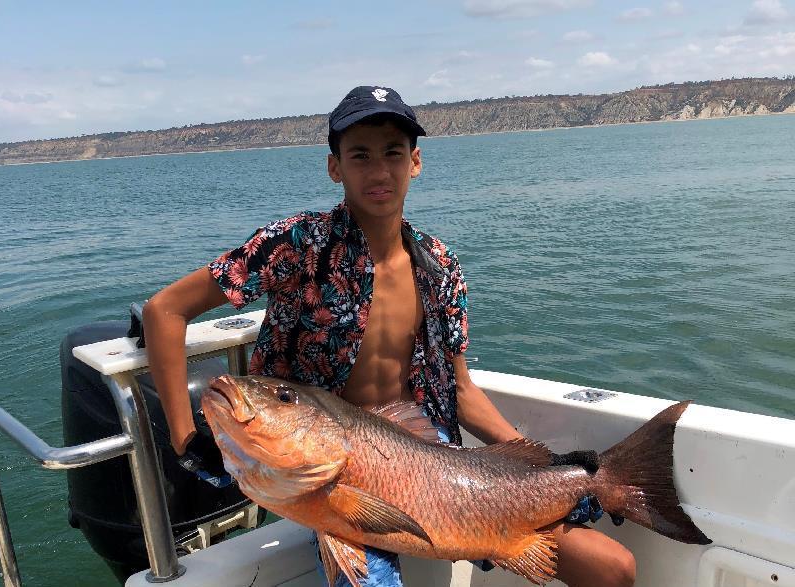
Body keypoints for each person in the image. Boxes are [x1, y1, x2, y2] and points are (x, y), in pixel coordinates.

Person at [143, 85, 636, 587]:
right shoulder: (297, 245)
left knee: (612, 568)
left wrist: (543, 462)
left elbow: (460, 389)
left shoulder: (440, 266)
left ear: (415, 162)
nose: (379, 171)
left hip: (430, 467)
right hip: (327, 470)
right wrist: (187, 439)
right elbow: (166, 311)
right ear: (335, 166)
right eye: (360, 155)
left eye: (393, 154)